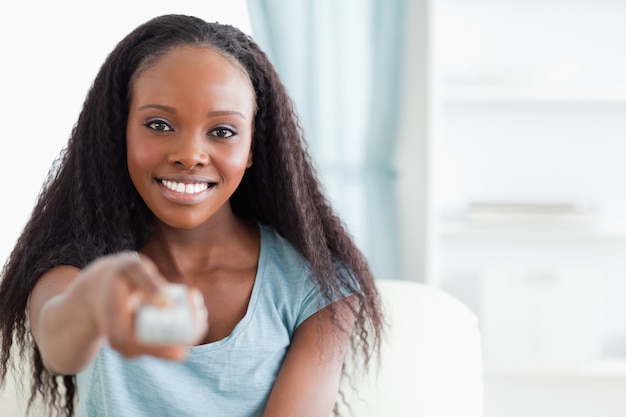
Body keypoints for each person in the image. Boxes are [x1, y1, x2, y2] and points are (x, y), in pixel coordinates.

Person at [0, 13, 383, 417]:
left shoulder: (318, 286)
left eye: (222, 132)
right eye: (159, 124)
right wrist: (95, 297)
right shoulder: (78, 269)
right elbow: (60, 346)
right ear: (120, 133)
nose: (189, 155)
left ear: (253, 147)